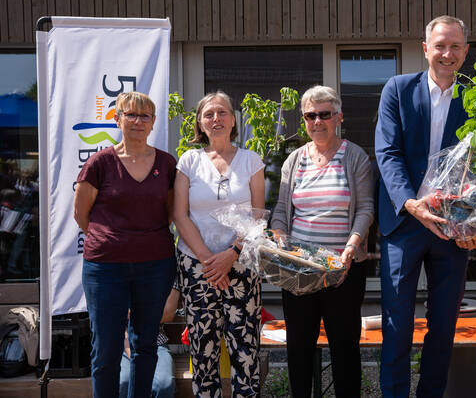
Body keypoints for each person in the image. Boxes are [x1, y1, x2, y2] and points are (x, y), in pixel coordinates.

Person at [374, 15, 476, 397]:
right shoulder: (397, 89)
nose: (447, 53)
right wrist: (410, 203)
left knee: (443, 326)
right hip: (404, 223)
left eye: (455, 46)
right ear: (425, 49)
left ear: (466, 52)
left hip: (452, 227)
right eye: (440, 45)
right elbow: (387, 153)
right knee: (397, 324)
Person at [270, 85, 374, 398]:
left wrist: (351, 248)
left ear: (338, 117)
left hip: (342, 268)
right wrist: (280, 238)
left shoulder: (354, 156)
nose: (317, 121)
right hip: (299, 269)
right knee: (299, 347)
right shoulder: (294, 160)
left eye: (324, 115)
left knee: (344, 347)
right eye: (310, 116)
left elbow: (366, 208)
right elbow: (280, 212)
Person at [73, 91, 177, 398]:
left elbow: (171, 213)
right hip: (105, 268)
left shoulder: (167, 163)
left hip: (155, 266)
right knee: (105, 349)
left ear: (153, 122)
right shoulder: (99, 163)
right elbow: (81, 215)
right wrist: (114, 240)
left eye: (144, 116)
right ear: (117, 119)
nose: (137, 121)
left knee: (145, 345)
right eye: (130, 114)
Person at [173, 91, 265, 397]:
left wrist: (232, 254)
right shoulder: (189, 160)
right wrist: (210, 262)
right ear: (200, 122)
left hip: (242, 264)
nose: (216, 119)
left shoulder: (251, 160)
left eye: (222, 112)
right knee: (203, 350)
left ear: (233, 118)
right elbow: (179, 215)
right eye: (209, 114)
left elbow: (256, 217)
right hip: (197, 267)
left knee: (245, 349)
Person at [119, 285, 180, 398]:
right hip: (122, 343)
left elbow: (168, 313)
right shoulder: (118, 272)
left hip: (156, 343)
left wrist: (134, 312)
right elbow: (115, 316)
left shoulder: (164, 271)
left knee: (163, 384)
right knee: (123, 383)